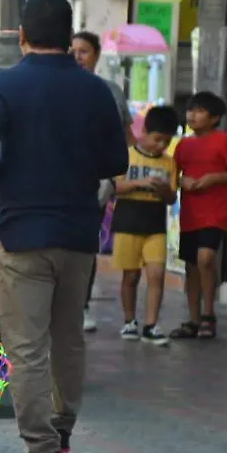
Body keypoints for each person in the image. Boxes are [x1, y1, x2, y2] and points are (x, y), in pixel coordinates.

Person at [0, 0, 127, 453]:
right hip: (79, 233)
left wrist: (9, 176)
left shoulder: (6, 85)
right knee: (67, 339)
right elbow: (116, 162)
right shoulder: (96, 90)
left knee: (26, 347)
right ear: (68, 35)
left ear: (23, 35)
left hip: (22, 232)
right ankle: (61, 432)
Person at [71, 30, 138, 332]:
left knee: (86, 242)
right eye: (73, 51)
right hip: (63, 177)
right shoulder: (61, 87)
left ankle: (81, 305)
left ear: (96, 55)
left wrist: (118, 177)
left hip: (97, 181)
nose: (78, 57)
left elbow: (126, 137)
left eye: (84, 51)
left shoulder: (111, 91)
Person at [112, 105, 178, 346]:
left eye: (166, 142)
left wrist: (165, 190)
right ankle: (130, 320)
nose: (160, 146)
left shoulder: (169, 163)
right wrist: (141, 183)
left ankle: (151, 324)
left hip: (155, 224)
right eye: (157, 139)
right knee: (130, 275)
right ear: (145, 132)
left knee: (156, 274)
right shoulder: (127, 156)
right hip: (128, 220)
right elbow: (116, 187)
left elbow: (172, 197)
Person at [170, 92, 227, 340]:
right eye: (190, 110)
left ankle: (209, 314)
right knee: (191, 266)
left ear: (215, 118)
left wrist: (214, 178)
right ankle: (194, 319)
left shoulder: (225, 141)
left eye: (199, 111)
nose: (192, 115)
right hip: (190, 214)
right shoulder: (183, 145)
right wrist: (182, 181)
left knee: (206, 258)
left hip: (215, 212)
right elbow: (172, 175)